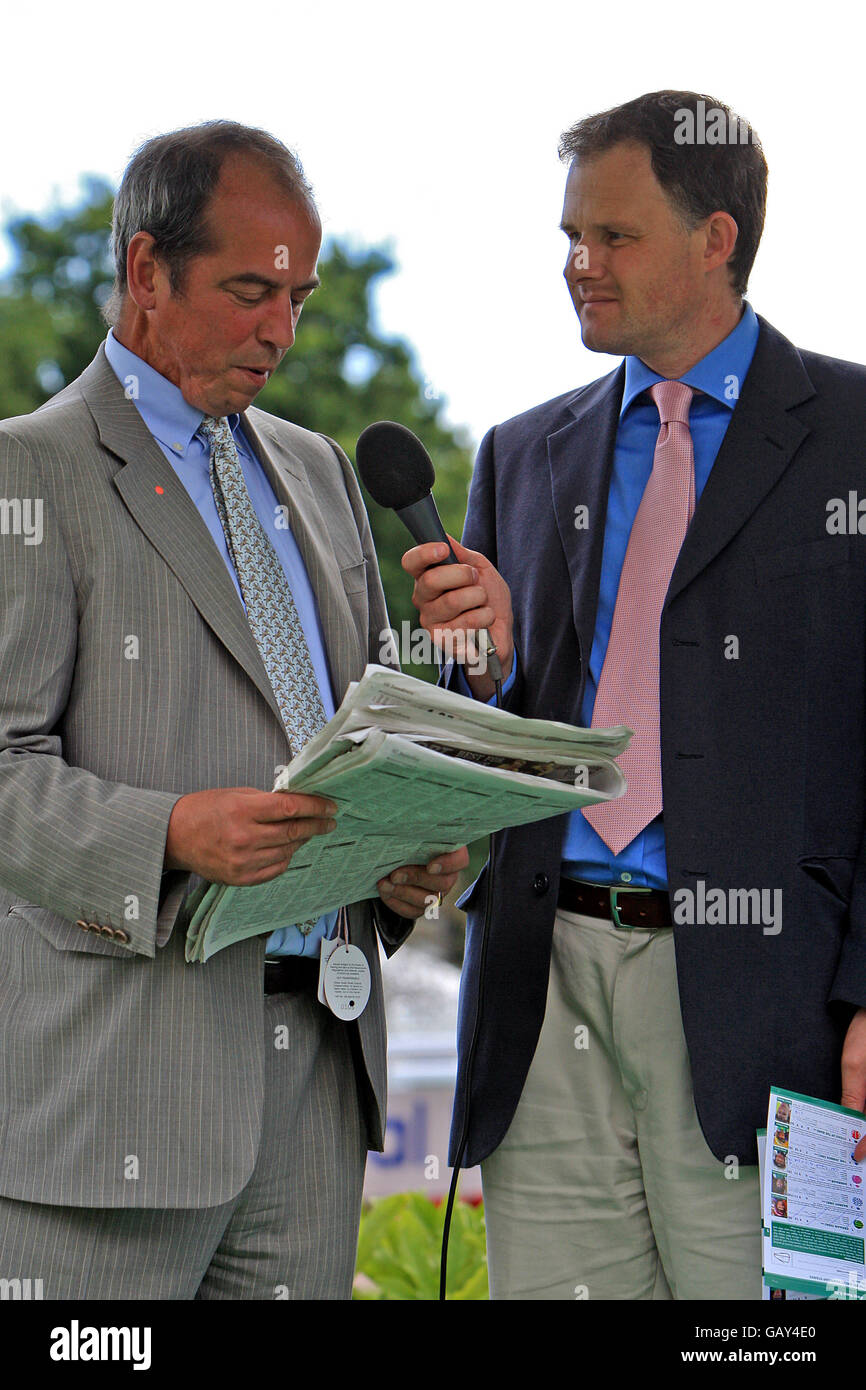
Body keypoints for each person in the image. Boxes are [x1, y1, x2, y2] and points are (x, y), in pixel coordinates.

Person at [403, 89, 866, 1299]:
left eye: (611, 237)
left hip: (772, 1007)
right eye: (569, 236)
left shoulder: (855, 436)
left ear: (715, 239)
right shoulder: (518, 449)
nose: (577, 265)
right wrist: (482, 665)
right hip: (539, 979)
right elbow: (501, 728)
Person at [0, 120, 466, 1300]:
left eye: (298, 294)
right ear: (146, 271)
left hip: (314, 1087)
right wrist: (166, 836)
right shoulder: (30, 472)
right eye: (250, 290)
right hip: (110, 1112)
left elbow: (363, 736)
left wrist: (405, 856)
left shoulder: (316, 472)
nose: (281, 330)